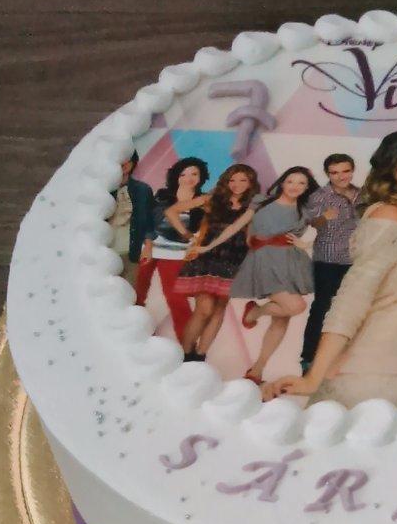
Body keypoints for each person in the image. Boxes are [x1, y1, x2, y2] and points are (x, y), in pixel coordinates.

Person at [263, 130, 397, 408]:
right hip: (368, 369)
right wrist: (313, 376)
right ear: (391, 175)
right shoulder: (392, 215)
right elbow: (353, 297)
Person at [230, 166, 318, 382]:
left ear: (307, 188)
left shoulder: (305, 210)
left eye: (301, 183)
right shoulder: (262, 201)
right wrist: (249, 235)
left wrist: (307, 243)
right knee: (295, 306)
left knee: (282, 318)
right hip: (265, 260)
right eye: (290, 181)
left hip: (291, 261)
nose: (295, 186)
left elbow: (330, 228)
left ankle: (257, 370)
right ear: (282, 182)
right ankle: (255, 312)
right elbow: (246, 223)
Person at [176, 163, 258, 361]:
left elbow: (251, 235)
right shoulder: (213, 199)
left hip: (235, 258)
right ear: (226, 182)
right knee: (204, 309)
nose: (237, 184)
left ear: (250, 183)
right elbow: (174, 211)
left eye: (243, 180)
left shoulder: (253, 206)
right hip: (208, 257)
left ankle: (200, 355)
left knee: (219, 308)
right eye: (232, 180)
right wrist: (188, 236)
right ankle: (185, 354)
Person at [298, 152, 362, 373]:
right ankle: (309, 359)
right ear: (327, 174)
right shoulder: (319, 196)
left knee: (353, 310)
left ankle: (342, 360)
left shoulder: (363, 195)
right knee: (322, 308)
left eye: (345, 171)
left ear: (352, 170)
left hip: (357, 259)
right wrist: (324, 217)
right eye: (334, 172)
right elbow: (311, 223)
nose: (341, 176)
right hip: (328, 259)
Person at [135, 157, 210, 341]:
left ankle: (187, 344)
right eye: (183, 174)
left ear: (201, 176)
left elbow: (203, 229)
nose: (189, 178)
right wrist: (148, 243)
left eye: (194, 174)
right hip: (150, 247)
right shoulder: (162, 195)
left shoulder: (203, 200)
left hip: (176, 253)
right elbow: (148, 220)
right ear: (176, 176)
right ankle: (135, 329)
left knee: (176, 298)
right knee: (137, 293)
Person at [106, 151, 155, 289]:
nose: (124, 164)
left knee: (128, 293)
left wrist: (148, 247)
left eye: (128, 160)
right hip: (105, 253)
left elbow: (150, 221)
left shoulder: (143, 190)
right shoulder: (101, 191)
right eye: (120, 160)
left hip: (131, 252)